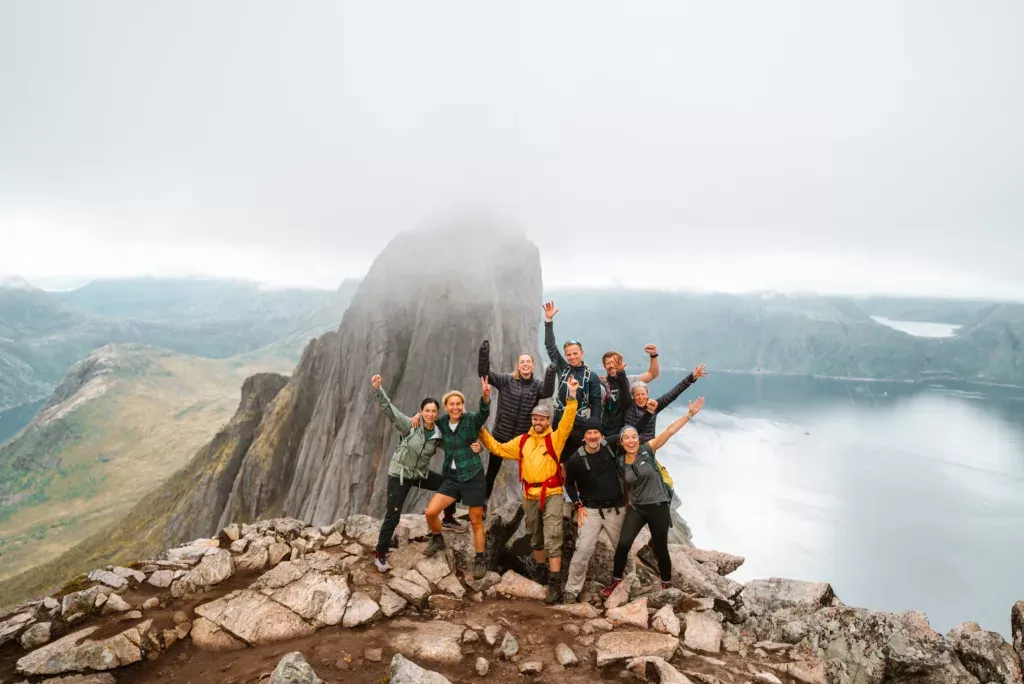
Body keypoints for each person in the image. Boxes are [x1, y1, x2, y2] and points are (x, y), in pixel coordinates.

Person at [477, 375, 581, 604]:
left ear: (547, 421)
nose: (537, 421)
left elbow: (568, 423)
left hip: (552, 493)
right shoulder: (522, 441)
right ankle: (541, 572)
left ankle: (554, 583)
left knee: (553, 536)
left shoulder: (555, 439)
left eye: (542, 418)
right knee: (535, 537)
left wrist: (572, 396)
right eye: (535, 417)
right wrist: (481, 430)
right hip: (529, 495)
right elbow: (498, 448)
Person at [601, 395, 706, 598]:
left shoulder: (647, 451)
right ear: (621, 442)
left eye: (634, 437)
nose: (631, 441)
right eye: (626, 438)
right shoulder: (620, 462)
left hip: (658, 507)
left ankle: (667, 583)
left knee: (660, 548)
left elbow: (670, 431)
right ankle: (615, 581)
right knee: (623, 545)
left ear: (638, 439)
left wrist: (690, 414)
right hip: (638, 508)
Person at [562, 391, 655, 603]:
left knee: (623, 550)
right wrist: (577, 505)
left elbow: (633, 432)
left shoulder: (611, 445)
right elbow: (568, 483)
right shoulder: (577, 459)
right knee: (583, 550)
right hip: (592, 511)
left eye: (596, 432)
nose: (593, 436)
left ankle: (630, 584)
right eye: (589, 433)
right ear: (584, 436)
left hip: (616, 509)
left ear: (602, 435)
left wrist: (648, 413)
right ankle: (572, 590)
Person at [422, 377, 492, 580]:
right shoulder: (442, 422)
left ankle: (480, 559)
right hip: (452, 477)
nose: (455, 407)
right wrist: (417, 417)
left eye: (458, 404)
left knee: (476, 521)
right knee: (431, 512)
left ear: (463, 405)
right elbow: (428, 417)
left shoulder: (470, 420)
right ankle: (437, 538)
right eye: (451, 404)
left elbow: (483, 414)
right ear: (446, 407)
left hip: (472, 476)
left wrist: (485, 396)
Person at [477, 340, 557, 505]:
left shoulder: (537, 386)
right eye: (522, 362)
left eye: (528, 362)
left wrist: (550, 371)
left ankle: (532, 501)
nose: (525, 364)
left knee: (530, 470)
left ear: (533, 366)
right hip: (501, 435)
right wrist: (484, 353)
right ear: (518, 366)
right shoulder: (505, 380)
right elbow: (484, 374)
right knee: (492, 472)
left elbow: (548, 391)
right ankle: (483, 503)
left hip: (523, 439)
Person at [542, 300, 602, 457]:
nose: (572, 357)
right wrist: (549, 321)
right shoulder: (563, 368)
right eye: (568, 354)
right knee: (556, 458)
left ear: (582, 353)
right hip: (559, 422)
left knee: (575, 461)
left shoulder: (591, 377)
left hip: (579, 425)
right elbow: (550, 347)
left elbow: (596, 404)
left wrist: (594, 429)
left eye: (575, 353)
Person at [622, 363, 708, 442]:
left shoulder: (655, 406)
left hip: (648, 449)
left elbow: (673, 393)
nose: (640, 398)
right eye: (637, 395)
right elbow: (622, 386)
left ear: (647, 394)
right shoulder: (628, 405)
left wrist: (691, 378)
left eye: (643, 394)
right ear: (632, 396)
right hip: (629, 447)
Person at [599, 347, 659, 434]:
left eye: (615, 362)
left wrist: (653, 355)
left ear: (621, 363)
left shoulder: (630, 381)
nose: (611, 365)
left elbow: (652, 374)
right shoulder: (603, 385)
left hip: (630, 433)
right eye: (608, 363)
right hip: (609, 433)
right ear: (604, 366)